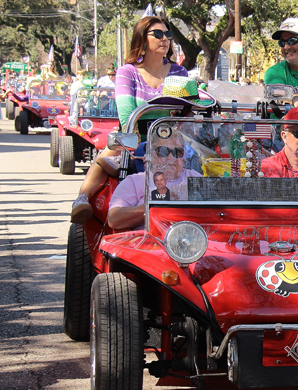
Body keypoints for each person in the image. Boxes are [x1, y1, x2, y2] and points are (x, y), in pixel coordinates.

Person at [70, 16, 190, 223]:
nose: (164, 39)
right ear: (142, 39)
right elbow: (127, 116)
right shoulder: (128, 72)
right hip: (134, 137)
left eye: (168, 35)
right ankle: (83, 198)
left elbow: (186, 111)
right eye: (158, 34)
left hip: (172, 139)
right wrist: (149, 136)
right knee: (107, 155)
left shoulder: (179, 71)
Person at [107, 131, 201, 231]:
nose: (171, 157)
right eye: (163, 151)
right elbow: (114, 219)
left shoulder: (194, 177)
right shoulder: (135, 181)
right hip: (150, 238)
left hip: (193, 236)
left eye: (177, 152)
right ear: (151, 154)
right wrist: (156, 205)